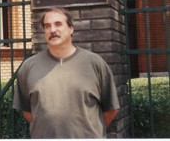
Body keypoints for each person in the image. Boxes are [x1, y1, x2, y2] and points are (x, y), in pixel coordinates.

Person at [13, 7, 120, 138]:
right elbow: (27, 112)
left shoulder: (95, 63)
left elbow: (111, 109)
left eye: (58, 24)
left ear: (71, 28)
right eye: (47, 26)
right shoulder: (28, 67)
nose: (52, 30)